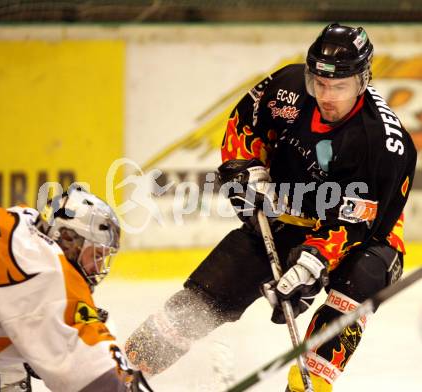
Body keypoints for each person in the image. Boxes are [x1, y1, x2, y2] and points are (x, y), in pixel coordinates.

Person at [125, 23, 417, 391]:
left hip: (367, 236)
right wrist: (246, 169)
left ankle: (308, 384)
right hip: (289, 214)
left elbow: (358, 223)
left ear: (363, 80)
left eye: (339, 87)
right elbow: (242, 126)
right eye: (320, 83)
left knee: (356, 288)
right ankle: (123, 370)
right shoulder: (288, 88)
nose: (327, 96)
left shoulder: (384, 145)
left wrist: (311, 262)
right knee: (208, 294)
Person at [0, 186, 153, 392]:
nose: (98, 268)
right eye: (96, 255)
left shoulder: (23, 223)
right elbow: (102, 380)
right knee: (8, 373)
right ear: (69, 240)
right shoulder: (48, 272)